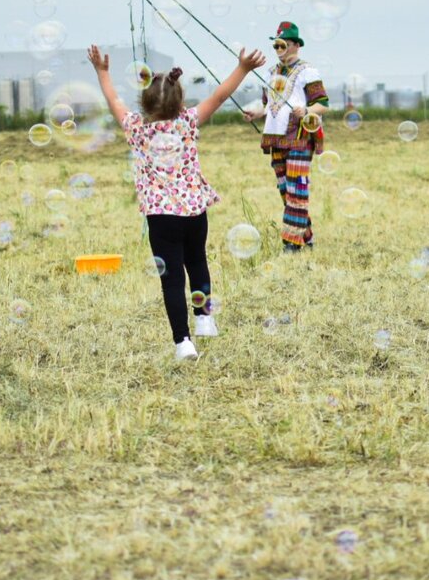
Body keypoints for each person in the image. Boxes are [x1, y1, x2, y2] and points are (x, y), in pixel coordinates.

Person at [88, 42, 267, 361]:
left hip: (161, 217)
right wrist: (243, 68)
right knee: (197, 261)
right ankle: (204, 318)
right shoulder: (188, 122)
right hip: (194, 211)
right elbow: (219, 96)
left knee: (171, 279)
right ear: (181, 101)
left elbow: (114, 100)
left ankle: (183, 342)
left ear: (143, 103)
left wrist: (102, 72)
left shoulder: (135, 128)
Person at [240, 22, 330, 251]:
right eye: (276, 46)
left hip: (300, 137)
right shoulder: (270, 73)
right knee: (286, 191)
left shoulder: (308, 71)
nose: (278, 50)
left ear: (296, 45)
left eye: (283, 45)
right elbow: (268, 105)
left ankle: (292, 243)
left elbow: (322, 103)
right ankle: (306, 238)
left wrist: (307, 111)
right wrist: (256, 113)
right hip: (275, 138)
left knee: (297, 191)